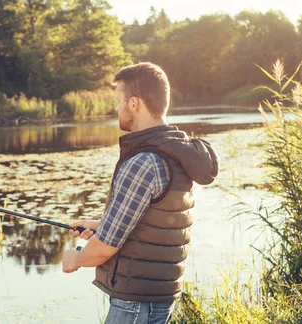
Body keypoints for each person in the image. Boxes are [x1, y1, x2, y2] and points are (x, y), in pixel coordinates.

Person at [61, 62, 219, 323]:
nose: (116, 108)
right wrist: (103, 224)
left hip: (135, 305)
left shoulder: (143, 162)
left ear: (134, 103)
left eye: (118, 100)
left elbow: (104, 249)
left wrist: (76, 258)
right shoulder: (175, 151)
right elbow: (154, 221)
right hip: (158, 300)